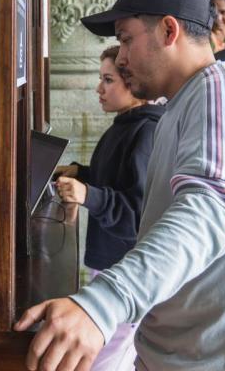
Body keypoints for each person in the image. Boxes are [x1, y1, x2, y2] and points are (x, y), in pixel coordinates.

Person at [13, 0, 225, 370]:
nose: (121, 57)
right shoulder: (181, 104)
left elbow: (206, 213)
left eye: (127, 38)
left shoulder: (219, 93)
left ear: (169, 30)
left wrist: (104, 302)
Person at [54, 45, 163, 371]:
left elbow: (136, 211)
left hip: (126, 268)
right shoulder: (126, 123)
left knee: (100, 361)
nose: (99, 89)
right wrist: (81, 173)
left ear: (133, 82)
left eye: (108, 80)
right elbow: (114, 180)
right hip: (112, 263)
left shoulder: (146, 131)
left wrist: (87, 194)